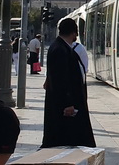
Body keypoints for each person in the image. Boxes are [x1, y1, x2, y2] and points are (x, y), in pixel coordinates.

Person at [41, 18, 95, 148]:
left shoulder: (59, 47)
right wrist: (68, 103)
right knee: (65, 140)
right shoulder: (61, 49)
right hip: (65, 107)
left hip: (63, 105)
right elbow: (62, 79)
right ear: (74, 32)